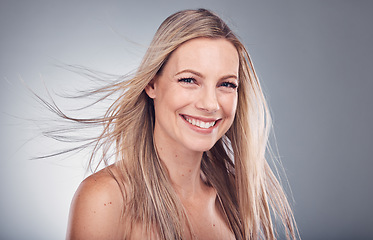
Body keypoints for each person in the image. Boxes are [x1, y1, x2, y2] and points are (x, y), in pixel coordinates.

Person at [61, 9, 298, 239]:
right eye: (189, 80)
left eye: (226, 84)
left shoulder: (234, 196)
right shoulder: (105, 200)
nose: (210, 104)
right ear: (152, 84)